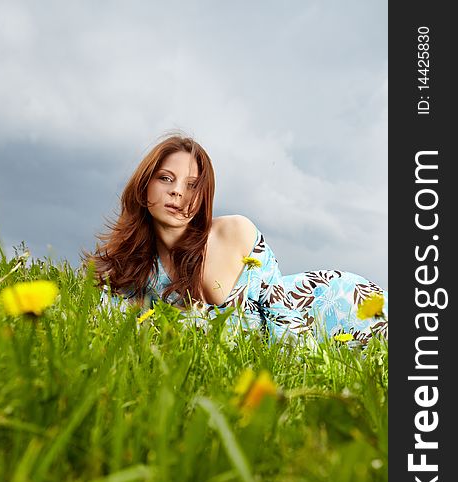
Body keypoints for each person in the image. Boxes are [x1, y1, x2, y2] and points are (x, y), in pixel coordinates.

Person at [83, 133, 388, 346]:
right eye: (166, 178)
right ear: (143, 186)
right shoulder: (136, 273)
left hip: (337, 306)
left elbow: (281, 314)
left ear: (204, 197)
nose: (178, 192)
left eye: (192, 185)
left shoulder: (233, 233)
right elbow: (105, 329)